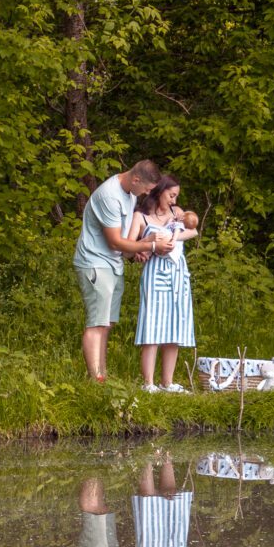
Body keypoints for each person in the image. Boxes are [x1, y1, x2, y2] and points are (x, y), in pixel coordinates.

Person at [73, 160, 172, 382]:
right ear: (136, 179)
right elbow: (115, 242)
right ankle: (96, 381)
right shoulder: (110, 195)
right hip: (95, 262)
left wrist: (134, 251)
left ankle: (101, 376)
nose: (147, 194)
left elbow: (123, 244)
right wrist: (148, 244)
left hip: (112, 263)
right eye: (146, 189)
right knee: (96, 323)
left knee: (107, 323)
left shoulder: (129, 194)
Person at [128, 175, 198, 393]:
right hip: (155, 273)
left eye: (176, 196)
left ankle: (167, 382)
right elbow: (129, 246)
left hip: (178, 273)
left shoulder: (177, 213)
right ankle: (148, 383)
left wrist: (173, 238)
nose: (174, 199)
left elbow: (193, 229)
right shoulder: (141, 217)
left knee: (175, 324)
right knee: (153, 323)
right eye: (171, 195)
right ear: (159, 192)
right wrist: (148, 246)